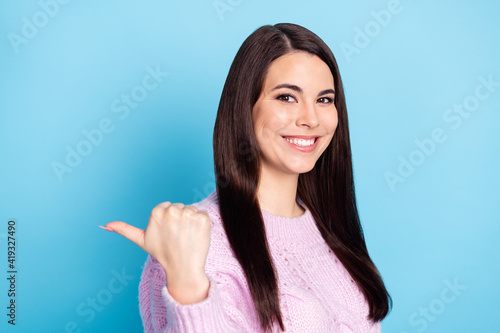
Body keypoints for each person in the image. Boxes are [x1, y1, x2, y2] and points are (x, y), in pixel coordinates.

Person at [100, 23, 392, 333]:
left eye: (324, 100)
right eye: (286, 98)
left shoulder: (329, 225)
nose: (310, 119)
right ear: (245, 109)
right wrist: (188, 285)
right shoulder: (192, 238)